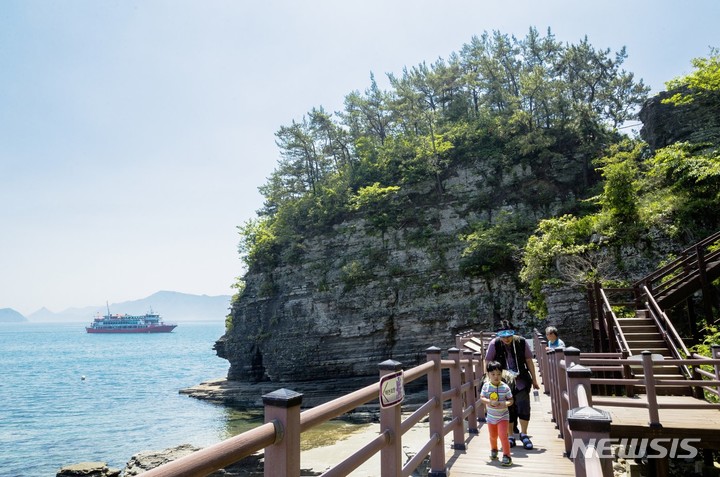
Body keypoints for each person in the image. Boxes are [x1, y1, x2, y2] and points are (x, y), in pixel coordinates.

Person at [485, 319, 540, 450]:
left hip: (521, 380)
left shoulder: (521, 341)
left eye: (509, 335)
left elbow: (528, 360)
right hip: (502, 382)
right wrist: (489, 380)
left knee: (523, 406)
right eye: (503, 336)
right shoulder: (495, 343)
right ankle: (510, 436)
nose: (506, 339)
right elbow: (487, 360)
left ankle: (524, 434)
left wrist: (534, 379)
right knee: (507, 409)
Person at [480, 360, 514, 467]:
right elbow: (482, 398)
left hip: (503, 416)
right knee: (493, 436)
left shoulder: (505, 387)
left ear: (502, 373)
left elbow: (511, 400)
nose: (496, 376)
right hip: (491, 417)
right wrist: (489, 402)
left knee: (503, 435)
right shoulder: (486, 386)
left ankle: (507, 456)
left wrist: (505, 403)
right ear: (488, 374)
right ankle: (494, 450)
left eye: (499, 374)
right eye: (493, 374)